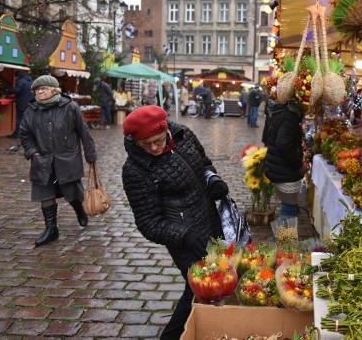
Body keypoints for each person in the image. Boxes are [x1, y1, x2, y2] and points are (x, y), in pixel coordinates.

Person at [121, 106, 228, 339]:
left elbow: (205, 164)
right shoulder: (134, 170)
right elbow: (148, 222)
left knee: (218, 278)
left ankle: (211, 326)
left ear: (167, 130)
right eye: (145, 144)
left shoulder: (184, 135)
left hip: (210, 219)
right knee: (197, 288)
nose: (153, 148)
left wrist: (213, 180)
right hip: (183, 237)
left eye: (157, 141)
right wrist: (184, 235)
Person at [19, 75, 97, 246]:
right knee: (44, 194)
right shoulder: (32, 110)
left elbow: (84, 132)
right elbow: (25, 135)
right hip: (42, 161)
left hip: (66, 159)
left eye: (43, 88)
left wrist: (90, 154)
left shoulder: (70, 107)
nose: (39, 92)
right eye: (37, 90)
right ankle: (51, 229)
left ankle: (80, 210)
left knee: (72, 194)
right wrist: (34, 154)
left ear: (54, 90)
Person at [262, 98, 305, 220]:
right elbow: (283, 143)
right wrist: (298, 165)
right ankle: (279, 239)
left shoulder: (279, 111)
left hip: (277, 168)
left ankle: (281, 238)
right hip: (285, 170)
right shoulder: (290, 116)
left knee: (287, 208)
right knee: (288, 210)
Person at [7, 70, 35, 139]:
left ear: (18, 75)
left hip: (22, 104)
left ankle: (16, 134)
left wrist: (8, 89)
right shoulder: (31, 81)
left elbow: (16, 90)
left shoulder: (21, 81)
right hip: (30, 104)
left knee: (19, 119)